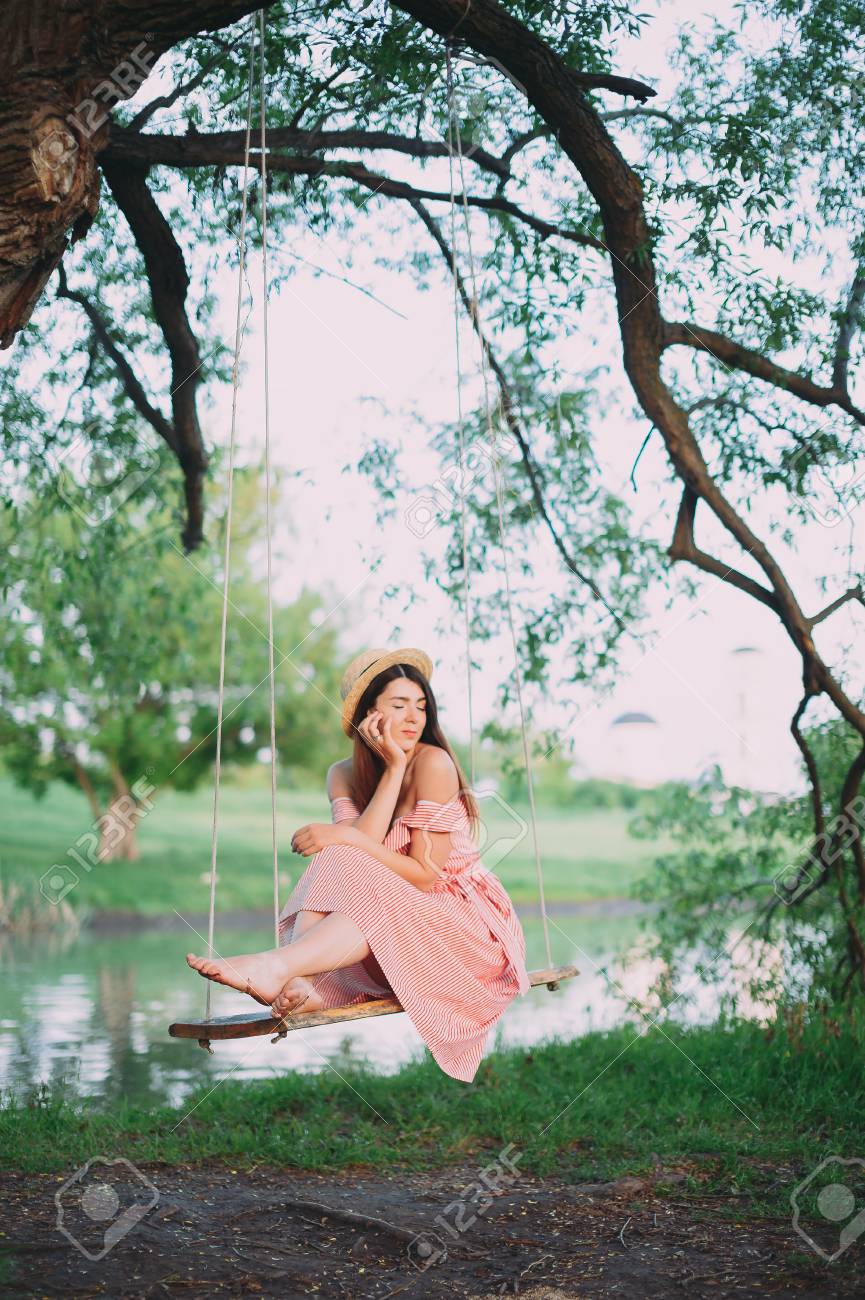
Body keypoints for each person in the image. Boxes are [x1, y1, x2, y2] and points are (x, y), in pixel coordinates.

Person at [186, 647, 530, 1082]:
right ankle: (302, 979)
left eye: (421, 706)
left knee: (344, 848)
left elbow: (424, 876)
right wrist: (392, 769)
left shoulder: (434, 763)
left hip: (462, 928)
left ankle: (282, 964)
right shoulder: (343, 774)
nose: (413, 719)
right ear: (369, 715)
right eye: (399, 705)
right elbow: (350, 860)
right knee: (341, 856)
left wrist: (351, 829)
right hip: (390, 926)